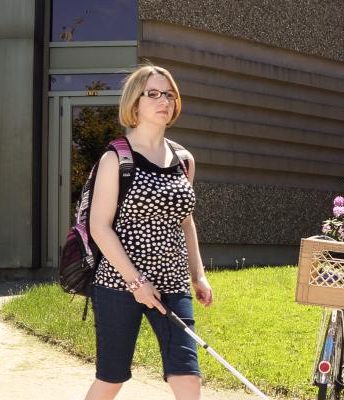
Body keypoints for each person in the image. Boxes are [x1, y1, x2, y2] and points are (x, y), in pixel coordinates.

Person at [84, 64, 214, 400]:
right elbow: (99, 226)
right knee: (112, 377)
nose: (164, 101)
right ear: (135, 102)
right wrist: (136, 282)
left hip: (172, 283)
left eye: (169, 94)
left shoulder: (184, 160)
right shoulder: (117, 157)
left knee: (188, 376)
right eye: (153, 93)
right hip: (119, 282)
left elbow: (185, 220)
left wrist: (198, 276)